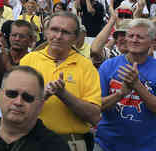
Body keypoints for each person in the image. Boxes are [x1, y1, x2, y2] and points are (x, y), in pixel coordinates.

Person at [20, 12, 101, 151]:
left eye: (65, 32)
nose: (58, 36)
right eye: (54, 29)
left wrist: (63, 94)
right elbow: (14, 104)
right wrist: (42, 96)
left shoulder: (86, 66)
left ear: (75, 38)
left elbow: (94, 116)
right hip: (31, 141)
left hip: (72, 143)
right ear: (46, 32)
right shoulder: (29, 60)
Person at [95, 19, 156, 151]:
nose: (134, 40)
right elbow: (95, 106)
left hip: (145, 146)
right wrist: (120, 94)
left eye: (140, 37)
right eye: (131, 36)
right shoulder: (108, 66)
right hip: (106, 144)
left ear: (151, 40)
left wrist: (137, 86)